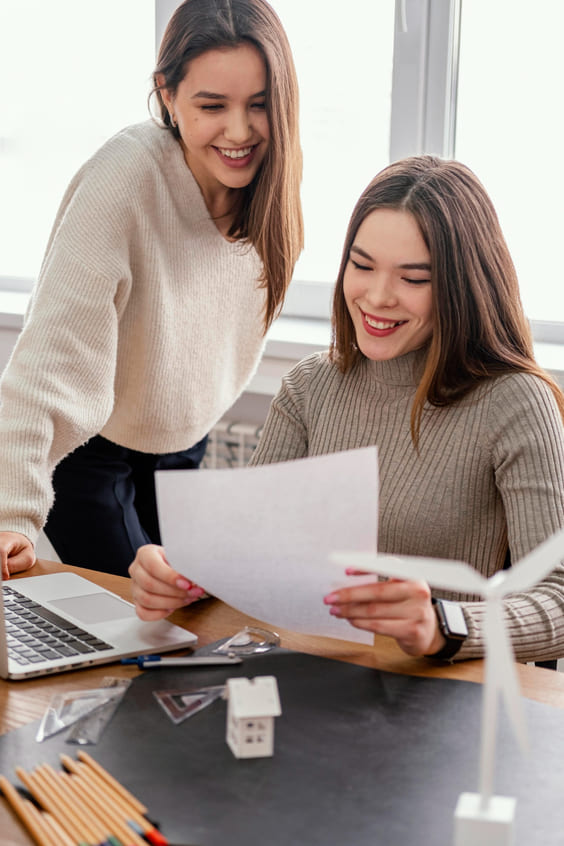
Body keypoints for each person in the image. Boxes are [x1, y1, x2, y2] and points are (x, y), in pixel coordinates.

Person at [128, 155, 564, 663]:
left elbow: (557, 597)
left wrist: (443, 625)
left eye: (414, 279)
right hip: (311, 673)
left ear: (461, 286)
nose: (377, 297)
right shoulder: (310, 387)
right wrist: (186, 578)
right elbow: (249, 554)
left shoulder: (515, 401)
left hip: (441, 695)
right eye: (362, 266)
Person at [0, 0, 303, 579]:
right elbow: (45, 361)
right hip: (94, 449)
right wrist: (12, 513)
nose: (240, 131)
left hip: (182, 443)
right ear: (167, 94)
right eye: (211, 105)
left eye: (260, 105)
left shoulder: (272, 187)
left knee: (196, 611)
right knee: (147, 620)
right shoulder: (126, 180)